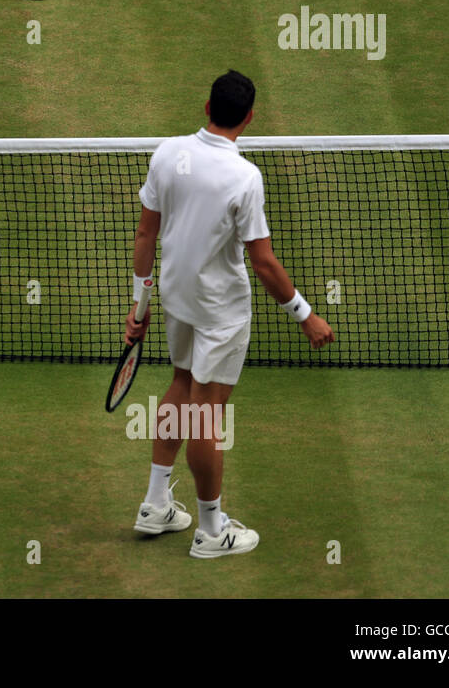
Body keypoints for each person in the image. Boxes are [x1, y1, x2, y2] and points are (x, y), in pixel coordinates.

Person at [125, 70, 334, 558]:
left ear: (206, 107)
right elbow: (262, 260)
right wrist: (305, 314)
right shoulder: (245, 177)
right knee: (205, 414)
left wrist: (140, 304)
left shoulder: (167, 152)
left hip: (177, 298)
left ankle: (156, 504)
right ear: (249, 118)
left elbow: (144, 235)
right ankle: (212, 530)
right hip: (220, 311)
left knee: (181, 386)